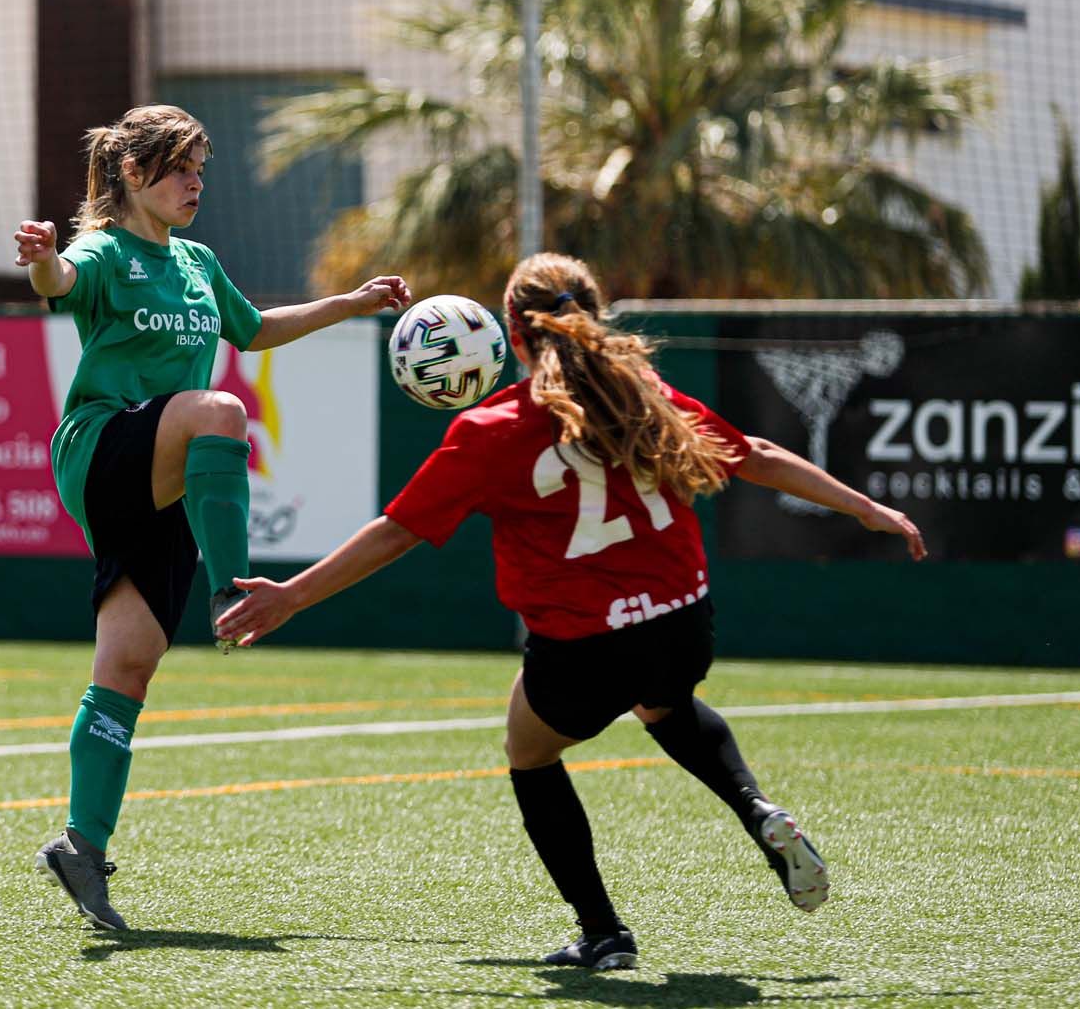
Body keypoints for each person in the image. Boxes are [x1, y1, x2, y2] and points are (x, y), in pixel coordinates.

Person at [216, 252, 926, 969]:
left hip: (586, 643)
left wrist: (291, 595)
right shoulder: (640, 392)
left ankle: (604, 932)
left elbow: (397, 530)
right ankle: (757, 809)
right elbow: (757, 452)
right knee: (665, 701)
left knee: (529, 750)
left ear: (513, 339)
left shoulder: (489, 429)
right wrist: (863, 507)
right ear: (593, 318)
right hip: (685, 618)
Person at [14, 104, 410, 931]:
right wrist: (44, 259)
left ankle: (82, 845)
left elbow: (256, 327)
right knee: (221, 410)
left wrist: (354, 302)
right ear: (134, 174)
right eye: (181, 167)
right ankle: (235, 587)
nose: (197, 182)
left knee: (128, 668)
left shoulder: (196, 262)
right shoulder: (106, 251)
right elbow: (61, 282)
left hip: (158, 484)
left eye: (201, 167)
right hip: (101, 447)